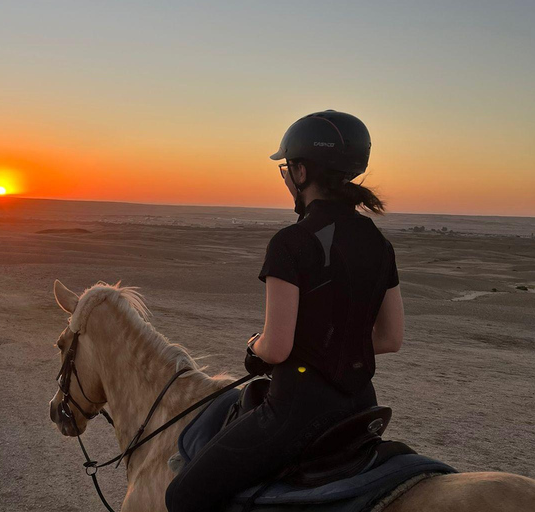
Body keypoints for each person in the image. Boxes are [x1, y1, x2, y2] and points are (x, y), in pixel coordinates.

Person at [165, 110, 405, 512]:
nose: (286, 176)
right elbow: (390, 339)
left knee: (182, 496)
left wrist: (253, 347)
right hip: (361, 407)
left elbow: (276, 349)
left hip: (297, 411)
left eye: (286, 167)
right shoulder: (379, 243)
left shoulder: (291, 241)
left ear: (301, 171)